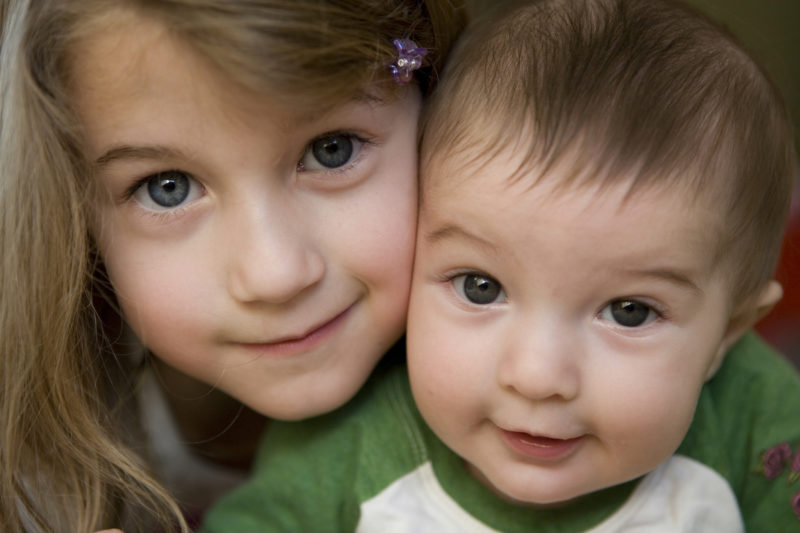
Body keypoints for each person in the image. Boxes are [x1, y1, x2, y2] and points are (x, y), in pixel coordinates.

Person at [200, 0, 800, 531]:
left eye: (630, 311)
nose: (537, 376)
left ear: (728, 332)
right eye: (481, 288)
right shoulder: (345, 449)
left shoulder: (756, 423)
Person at [0, 0, 465, 531]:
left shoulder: (548, 386)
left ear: (435, 100)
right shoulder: (26, 475)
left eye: (332, 150)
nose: (275, 276)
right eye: (167, 188)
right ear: (70, 215)